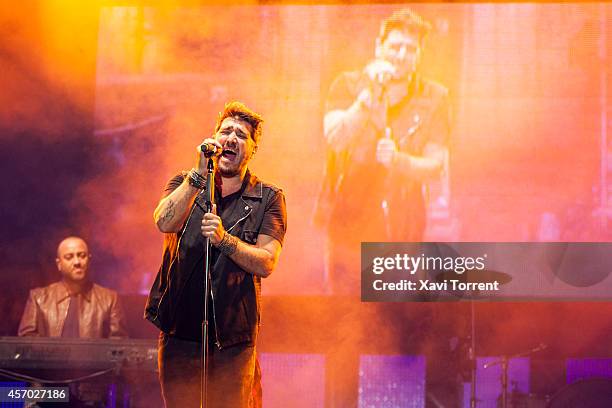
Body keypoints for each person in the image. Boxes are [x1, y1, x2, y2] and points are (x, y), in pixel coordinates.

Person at [145, 101, 287, 408]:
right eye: (225, 132)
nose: (231, 138)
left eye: (241, 134)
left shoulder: (268, 198)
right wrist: (197, 176)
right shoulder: (185, 183)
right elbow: (163, 221)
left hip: (232, 340)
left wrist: (225, 241)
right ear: (213, 140)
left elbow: (267, 262)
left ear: (253, 148)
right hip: (179, 332)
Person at [314, 8, 451, 295]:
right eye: (395, 46)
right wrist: (368, 97)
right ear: (379, 48)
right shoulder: (348, 85)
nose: (402, 55)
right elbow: (335, 138)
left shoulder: (434, 97)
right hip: (346, 223)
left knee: (392, 317)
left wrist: (399, 161)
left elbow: (436, 165)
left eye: (410, 49)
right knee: (342, 313)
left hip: (402, 229)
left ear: (419, 55)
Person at [18, 236, 127, 338]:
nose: (77, 262)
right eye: (69, 257)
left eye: (82, 256)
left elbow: (118, 347)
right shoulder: (38, 298)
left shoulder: (110, 299)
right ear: (59, 264)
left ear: (89, 260)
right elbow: (26, 344)